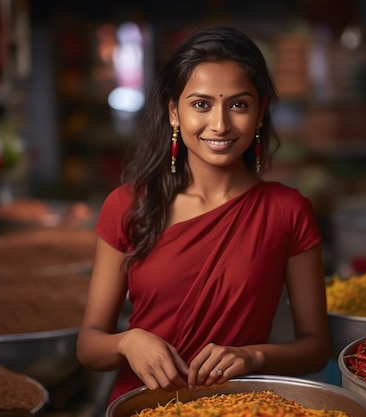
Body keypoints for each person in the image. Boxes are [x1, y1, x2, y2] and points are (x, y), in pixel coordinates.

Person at [77, 25, 331, 404]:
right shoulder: (128, 205)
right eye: (201, 104)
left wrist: (252, 356)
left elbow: (316, 348)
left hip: (241, 409)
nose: (220, 124)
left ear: (260, 112)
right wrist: (128, 342)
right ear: (174, 113)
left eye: (239, 105)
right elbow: (89, 346)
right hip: (142, 407)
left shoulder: (288, 210)